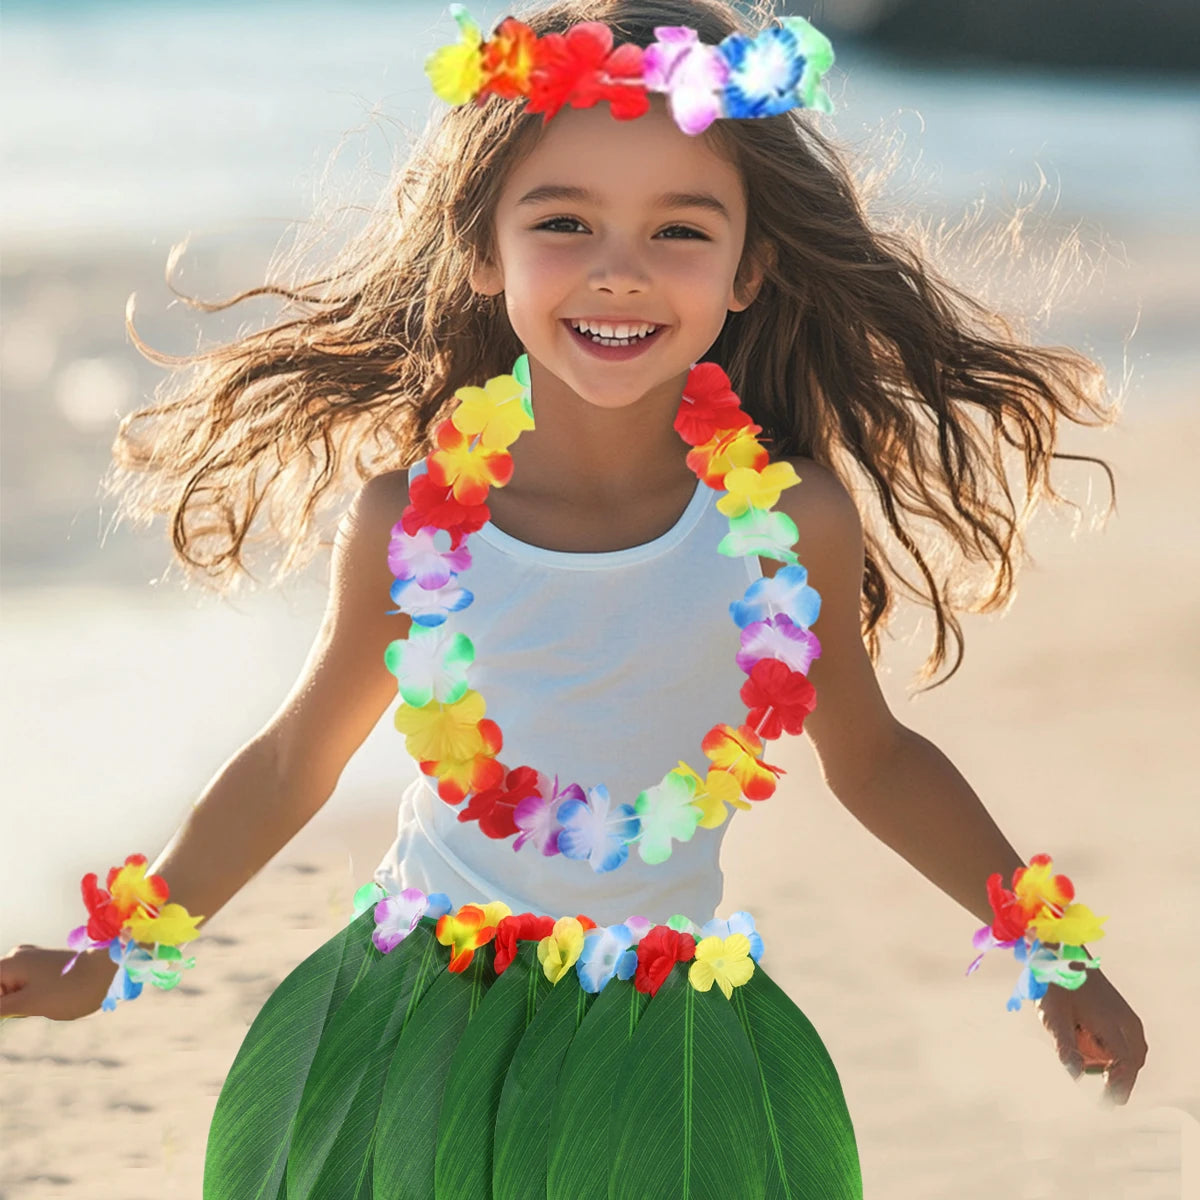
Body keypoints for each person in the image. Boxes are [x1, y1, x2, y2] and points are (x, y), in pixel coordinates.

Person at [1, 0, 1148, 1195]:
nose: (620, 271)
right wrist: (110, 956)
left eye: (679, 231)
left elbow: (874, 759)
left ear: (750, 267)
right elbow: (297, 760)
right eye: (564, 221)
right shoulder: (413, 524)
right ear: (483, 250)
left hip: (667, 1035)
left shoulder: (785, 522)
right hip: (420, 1028)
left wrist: (1052, 955)